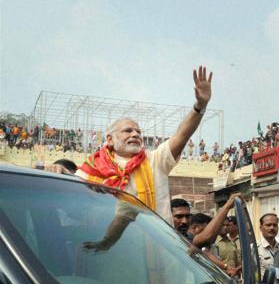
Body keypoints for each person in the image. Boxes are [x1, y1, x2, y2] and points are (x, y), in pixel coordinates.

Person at [76, 66, 213, 223]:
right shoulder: (91, 170)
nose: (135, 134)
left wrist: (200, 107)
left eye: (138, 132)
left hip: (150, 245)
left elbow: (182, 135)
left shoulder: (155, 160)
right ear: (110, 139)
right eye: (128, 131)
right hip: (105, 244)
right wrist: (58, 170)